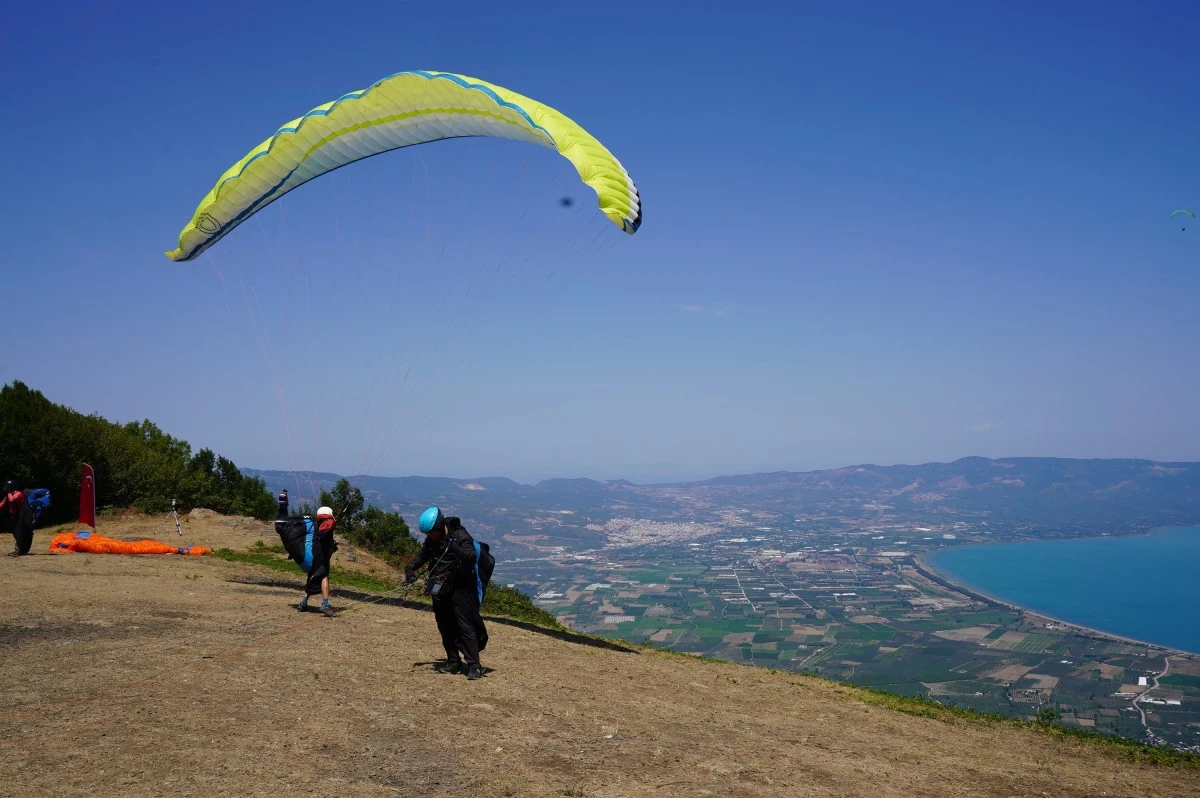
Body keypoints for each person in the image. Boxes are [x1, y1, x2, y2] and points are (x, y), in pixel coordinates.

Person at [405, 506, 488, 680]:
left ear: (439, 527)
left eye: (430, 533)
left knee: (465, 626)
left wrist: (453, 547)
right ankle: (453, 661)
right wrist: (411, 568)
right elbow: (423, 555)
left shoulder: (460, 536)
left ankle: (474, 665)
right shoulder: (432, 540)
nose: (429, 537)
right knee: (444, 626)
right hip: (440, 588)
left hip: (461, 589)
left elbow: (471, 557)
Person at [298, 506, 337, 617]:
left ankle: (303, 602)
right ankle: (325, 605)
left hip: (313, 553)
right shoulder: (328, 523)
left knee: (313, 576)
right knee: (323, 576)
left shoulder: (315, 524)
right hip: (322, 555)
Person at [0, 480, 34, 557]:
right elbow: (2, 504)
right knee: (15, 533)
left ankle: (20, 550)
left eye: (7, 487)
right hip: (15, 516)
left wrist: (8, 493)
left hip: (23, 515)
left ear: (11, 487)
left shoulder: (18, 493)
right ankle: (20, 549)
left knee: (20, 532)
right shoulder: (9, 495)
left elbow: (12, 500)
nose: (5, 488)